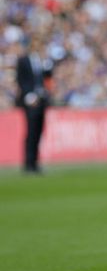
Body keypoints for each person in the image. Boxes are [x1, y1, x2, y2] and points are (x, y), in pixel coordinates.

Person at [15, 34, 53, 174]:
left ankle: (35, 162)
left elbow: (48, 78)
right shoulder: (23, 60)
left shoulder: (42, 60)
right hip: (30, 100)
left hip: (41, 99)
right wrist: (29, 95)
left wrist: (47, 65)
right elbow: (21, 80)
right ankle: (28, 162)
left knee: (38, 132)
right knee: (31, 132)